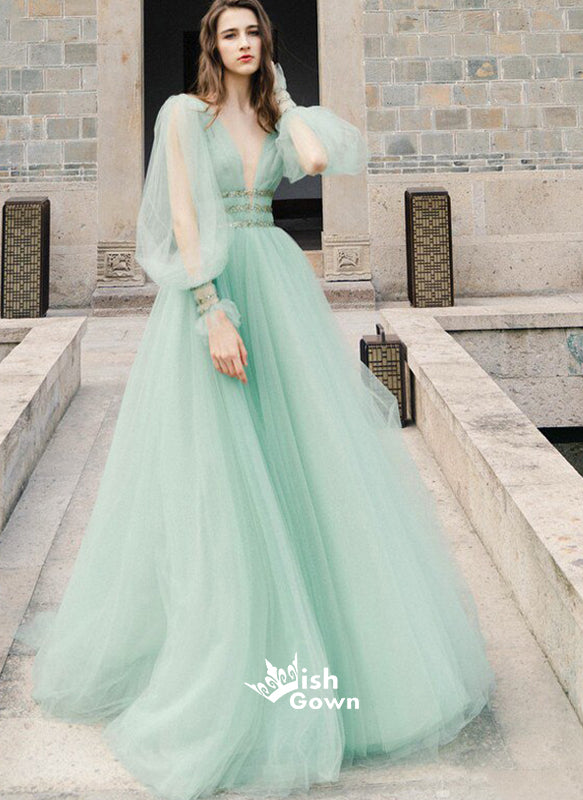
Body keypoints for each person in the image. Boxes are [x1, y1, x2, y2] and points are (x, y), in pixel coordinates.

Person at [16, 1, 497, 798]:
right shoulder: (183, 115)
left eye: (254, 34)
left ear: (266, 45)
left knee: (301, 459)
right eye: (230, 34)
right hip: (214, 290)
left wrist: (286, 94)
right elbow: (179, 217)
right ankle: (223, 656)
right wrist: (211, 311)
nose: (242, 43)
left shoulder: (278, 121)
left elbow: (316, 158)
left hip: (279, 286)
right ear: (211, 45)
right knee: (221, 470)